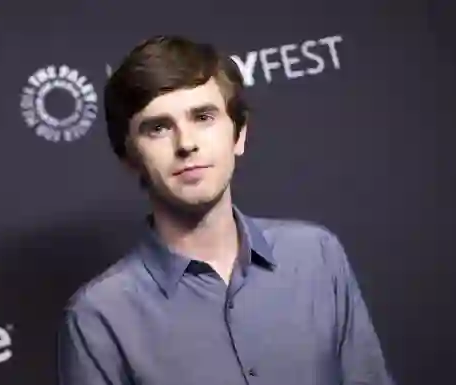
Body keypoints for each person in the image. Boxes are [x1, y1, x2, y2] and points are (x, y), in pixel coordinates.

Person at [57, 35, 395, 385]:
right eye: (158, 128)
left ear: (239, 134)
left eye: (203, 117)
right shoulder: (99, 317)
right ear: (130, 158)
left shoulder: (316, 255)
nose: (186, 144)